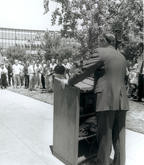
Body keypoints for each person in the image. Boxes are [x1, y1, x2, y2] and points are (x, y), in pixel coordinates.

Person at [60, 33, 129, 165]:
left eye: (99, 40)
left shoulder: (100, 52)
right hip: (122, 100)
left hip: (106, 100)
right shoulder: (121, 56)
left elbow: (83, 70)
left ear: (103, 40)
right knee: (119, 136)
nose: (98, 43)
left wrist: (69, 82)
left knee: (105, 136)